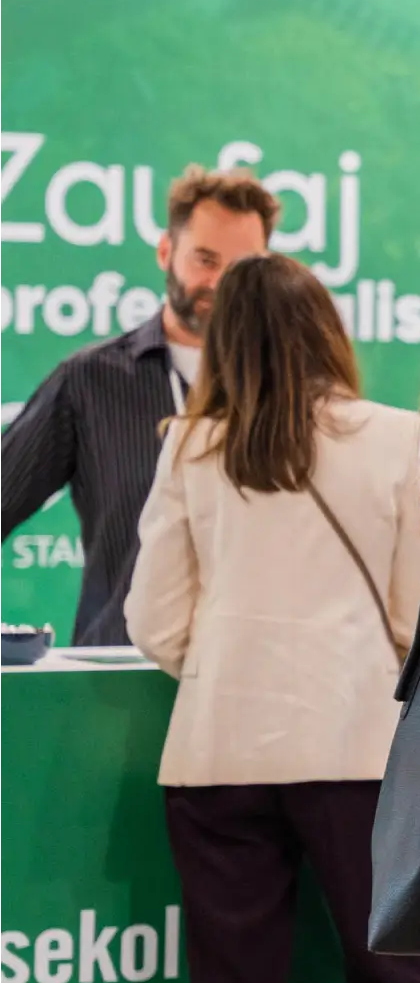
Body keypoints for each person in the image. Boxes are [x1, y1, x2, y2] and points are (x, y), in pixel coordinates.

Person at [123, 253, 420, 983]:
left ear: (225, 343)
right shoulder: (396, 437)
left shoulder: (190, 448)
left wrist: (231, 661)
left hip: (216, 757)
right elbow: (415, 618)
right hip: (356, 752)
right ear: (328, 331)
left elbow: (152, 621)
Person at [1, 166, 277, 645]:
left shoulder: (285, 392)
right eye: (205, 260)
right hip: (120, 669)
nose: (220, 283)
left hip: (250, 673)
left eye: (240, 268)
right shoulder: (89, 381)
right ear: (166, 251)